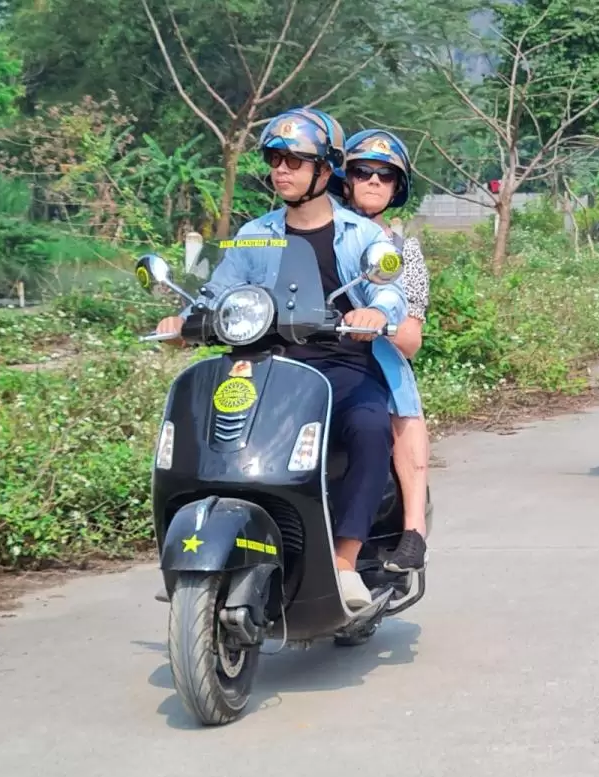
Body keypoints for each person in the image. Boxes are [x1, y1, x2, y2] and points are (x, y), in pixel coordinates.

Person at [153, 107, 408, 611]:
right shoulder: (255, 234)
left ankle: (344, 561)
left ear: (326, 169)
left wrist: (375, 313)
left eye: (295, 159)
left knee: (369, 427)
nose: (282, 169)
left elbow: (392, 294)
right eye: (275, 158)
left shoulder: (362, 235)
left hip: (341, 364)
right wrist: (186, 320)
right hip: (266, 365)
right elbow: (219, 290)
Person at [328, 128, 429, 573]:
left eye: (384, 175)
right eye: (362, 171)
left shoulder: (403, 251)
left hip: (376, 360)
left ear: (396, 188)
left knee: (399, 413)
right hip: (308, 356)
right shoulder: (314, 229)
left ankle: (412, 530)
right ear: (344, 178)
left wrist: (375, 323)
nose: (373, 180)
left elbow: (411, 339)